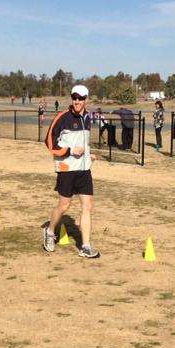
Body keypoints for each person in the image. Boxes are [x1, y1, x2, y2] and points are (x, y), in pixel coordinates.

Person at [43, 84, 100, 259]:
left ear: (86, 99)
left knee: (88, 206)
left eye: (81, 98)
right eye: (74, 98)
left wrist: (89, 155)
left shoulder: (88, 118)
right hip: (67, 169)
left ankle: (86, 246)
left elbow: (84, 143)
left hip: (84, 170)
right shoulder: (62, 118)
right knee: (64, 205)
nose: (77, 101)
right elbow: (50, 143)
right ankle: (50, 231)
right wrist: (70, 151)